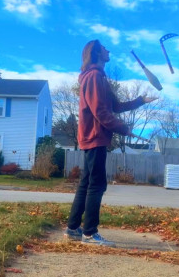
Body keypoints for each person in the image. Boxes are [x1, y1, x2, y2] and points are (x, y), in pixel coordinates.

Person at [64, 39, 157, 246]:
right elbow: (100, 112)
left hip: (92, 137)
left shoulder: (99, 78)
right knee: (97, 184)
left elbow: (115, 106)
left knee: (86, 183)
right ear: (97, 53)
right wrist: (124, 129)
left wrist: (141, 101)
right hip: (95, 137)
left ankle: (72, 229)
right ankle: (89, 234)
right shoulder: (95, 77)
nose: (108, 50)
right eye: (104, 48)